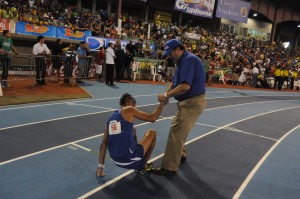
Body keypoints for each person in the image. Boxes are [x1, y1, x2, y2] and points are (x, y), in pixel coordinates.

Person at [156, 39, 206, 175]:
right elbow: (174, 83)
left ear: (178, 49)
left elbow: (185, 86)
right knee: (177, 128)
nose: (169, 56)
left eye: (170, 52)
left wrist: (167, 95)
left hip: (192, 103)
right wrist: (166, 94)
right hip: (189, 102)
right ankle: (181, 154)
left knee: (176, 133)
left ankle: (169, 168)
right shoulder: (182, 62)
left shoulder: (188, 60)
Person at [96, 93, 165, 176]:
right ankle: (142, 166)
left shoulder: (111, 117)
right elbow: (152, 118)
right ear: (129, 103)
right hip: (128, 159)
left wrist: (100, 167)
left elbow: (104, 143)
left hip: (115, 160)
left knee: (133, 130)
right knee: (152, 133)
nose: (135, 108)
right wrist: (162, 103)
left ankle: (137, 159)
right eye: (134, 106)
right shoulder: (129, 109)